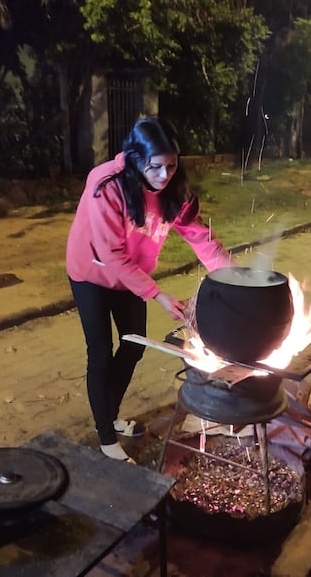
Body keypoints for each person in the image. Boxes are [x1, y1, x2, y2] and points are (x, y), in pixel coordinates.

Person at [66, 117, 233, 462]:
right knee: (100, 352)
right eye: (155, 167)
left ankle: (110, 417)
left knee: (132, 346)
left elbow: (201, 238)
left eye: (171, 166)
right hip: (91, 273)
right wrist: (157, 294)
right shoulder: (107, 185)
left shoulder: (175, 191)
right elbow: (111, 253)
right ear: (136, 158)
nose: (164, 175)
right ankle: (106, 436)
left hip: (132, 275)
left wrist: (233, 279)